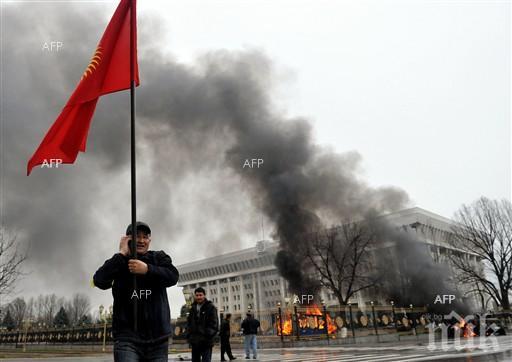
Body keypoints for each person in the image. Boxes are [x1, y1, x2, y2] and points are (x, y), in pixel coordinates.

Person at [93, 221, 180, 362]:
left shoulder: (158, 258)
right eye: (136, 236)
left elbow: (172, 276)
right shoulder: (119, 262)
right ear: (127, 239)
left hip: (158, 338)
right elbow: (99, 280)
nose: (141, 240)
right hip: (127, 339)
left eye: (145, 237)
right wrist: (121, 254)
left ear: (149, 240)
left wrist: (147, 269)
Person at [186, 287, 219, 362]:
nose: (199, 297)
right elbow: (189, 322)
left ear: (204, 295)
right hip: (195, 341)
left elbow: (214, 324)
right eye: (197, 295)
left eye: (200, 295)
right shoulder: (192, 308)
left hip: (206, 342)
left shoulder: (211, 307)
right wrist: (189, 335)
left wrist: (206, 334)